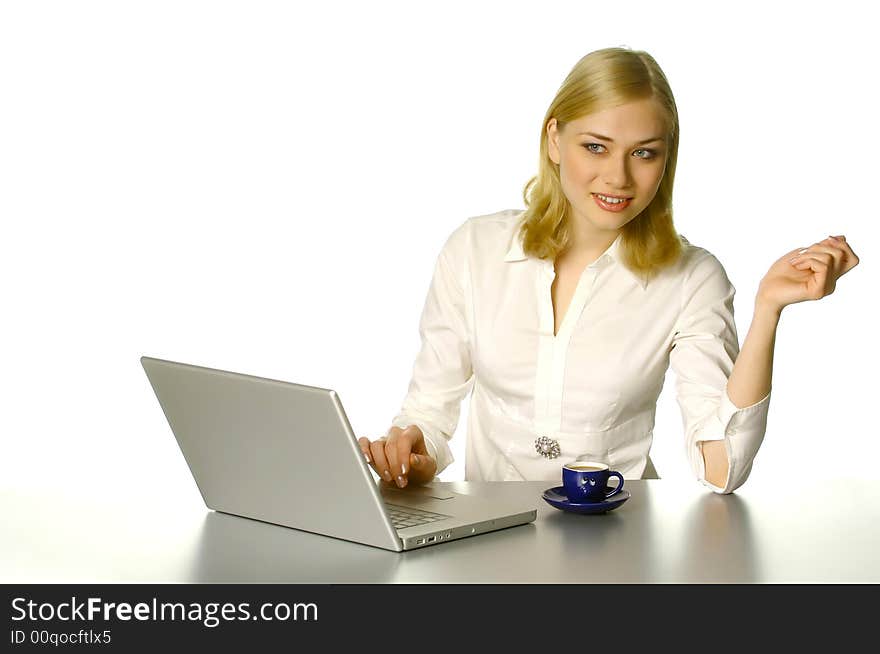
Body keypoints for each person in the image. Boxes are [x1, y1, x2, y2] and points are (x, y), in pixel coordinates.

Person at [358, 46, 859, 494]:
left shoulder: (691, 278)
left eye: (643, 153)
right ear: (555, 139)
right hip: (494, 545)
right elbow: (429, 412)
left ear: (666, 159)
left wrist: (768, 309)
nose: (618, 177)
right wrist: (413, 456)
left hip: (622, 546)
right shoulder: (474, 249)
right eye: (595, 146)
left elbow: (721, 470)